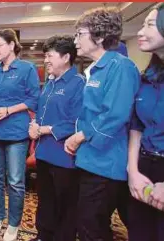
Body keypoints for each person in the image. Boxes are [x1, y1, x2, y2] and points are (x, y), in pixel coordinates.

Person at [63, 7, 140, 241]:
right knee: (86, 223)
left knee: (91, 226)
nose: (75, 40)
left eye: (80, 34)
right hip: (89, 159)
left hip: (106, 162)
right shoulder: (95, 70)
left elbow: (114, 116)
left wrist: (78, 137)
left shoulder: (120, 66)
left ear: (99, 35)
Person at [0, 28, 40, 240]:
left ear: (12, 45)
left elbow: (33, 99)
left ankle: (14, 224)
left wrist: (8, 109)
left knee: (15, 181)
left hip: (16, 133)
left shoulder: (27, 69)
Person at [28, 35, 84, 241]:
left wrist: (43, 129)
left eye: (50, 56)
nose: (46, 60)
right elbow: (40, 112)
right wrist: (33, 126)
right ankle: (43, 235)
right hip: (43, 152)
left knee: (66, 205)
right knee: (45, 200)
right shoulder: (50, 83)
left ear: (66, 57)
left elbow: (77, 121)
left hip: (64, 156)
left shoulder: (78, 83)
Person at [127, 3, 164, 240]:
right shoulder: (147, 78)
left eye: (149, 25)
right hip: (144, 167)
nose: (140, 32)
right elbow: (137, 127)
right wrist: (133, 170)